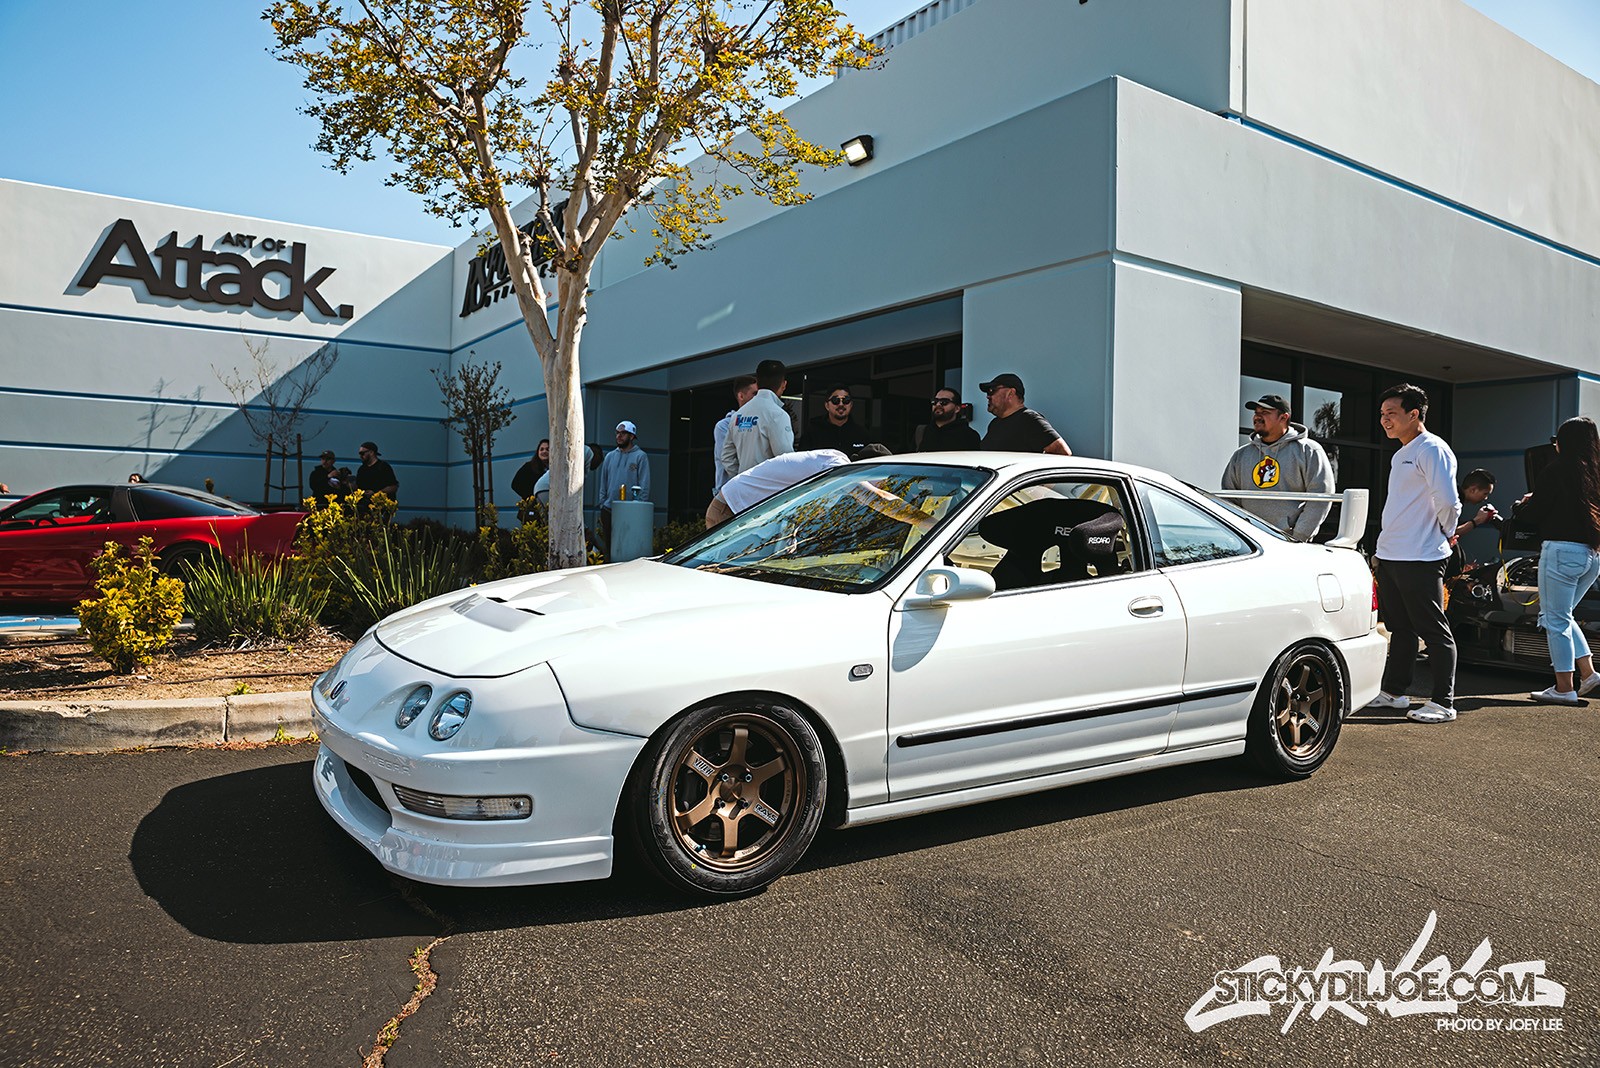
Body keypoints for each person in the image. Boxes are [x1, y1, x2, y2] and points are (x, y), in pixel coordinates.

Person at [1364, 384, 1461, 723]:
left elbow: (1448, 500)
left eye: (1391, 414)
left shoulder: (1432, 449)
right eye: (1382, 414)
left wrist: (1447, 534)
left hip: (1420, 556)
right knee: (1400, 628)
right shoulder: (1402, 452)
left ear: (1414, 414)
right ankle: (1394, 693)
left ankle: (1443, 702)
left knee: (1433, 630)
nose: (1384, 420)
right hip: (1393, 555)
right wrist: (1381, 552)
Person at [1516, 418, 1600, 704]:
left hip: (1561, 552)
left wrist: (1523, 504)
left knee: (1554, 619)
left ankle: (1564, 688)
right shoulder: (1595, 471)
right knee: (1563, 616)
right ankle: (1588, 674)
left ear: (1563, 442)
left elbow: (1534, 513)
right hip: (1591, 556)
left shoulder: (1557, 468)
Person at [1220, 394, 1336, 541]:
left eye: (1265, 413)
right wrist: (1238, 533)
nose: (1257, 417)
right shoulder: (1241, 455)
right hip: (1249, 542)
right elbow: (1229, 498)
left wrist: (1298, 536)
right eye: (1256, 412)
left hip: (1289, 543)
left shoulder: (1309, 451)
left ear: (1284, 417)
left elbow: (1321, 496)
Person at [707, 444, 892, 526]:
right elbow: (877, 499)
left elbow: (798, 509)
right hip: (730, 510)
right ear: (868, 470)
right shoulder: (835, 464)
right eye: (882, 480)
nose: (883, 485)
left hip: (742, 513)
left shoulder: (835, 483)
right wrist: (920, 520)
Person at [720, 359, 793, 478]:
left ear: (757, 383)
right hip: (769, 490)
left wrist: (743, 478)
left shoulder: (738, 415)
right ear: (784, 384)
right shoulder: (777, 414)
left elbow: (726, 457)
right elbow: (785, 459)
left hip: (744, 489)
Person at [978, 373, 1071, 455]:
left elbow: (1063, 452)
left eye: (992, 391)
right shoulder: (994, 424)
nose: (988, 396)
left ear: (1010, 393)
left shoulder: (1030, 420)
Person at [598, 420, 651, 551]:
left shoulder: (640, 456)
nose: (619, 436)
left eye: (623, 433)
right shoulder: (610, 456)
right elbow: (603, 482)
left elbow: (644, 484)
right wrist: (602, 503)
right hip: (609, 509)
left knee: (628, 545)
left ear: (632, 436)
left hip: (630, 510)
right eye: (617, 433)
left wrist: (639, 507)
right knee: (609, 547)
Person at [1447, 468, 1501, 577]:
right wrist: (1477, 520)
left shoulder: (1455, 498)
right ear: (1473, 490)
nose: (1485, 498)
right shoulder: (1452, 501)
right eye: (1485, 493)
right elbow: (1448, 533)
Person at [713, 376, 759, 493]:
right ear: (741, 396)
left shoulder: (760, 421)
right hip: (730, 492)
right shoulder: (724, 426)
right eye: (754, 394)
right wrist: (746, 480)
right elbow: (727, 459)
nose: (758, 398)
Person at [799, 384, 869, 453]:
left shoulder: (862, 434)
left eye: (846, 400)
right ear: (827, 406)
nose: (841, 404)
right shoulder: (812, 433)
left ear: (851, 405)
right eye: (835, 400)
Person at [916, 387, 980, 451]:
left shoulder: (969, 435)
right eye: (935, 401)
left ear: (957, 409)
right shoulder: (922, 432)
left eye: (944, 402)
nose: (938, 404)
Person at [512, 439, 550, 506]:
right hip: (531, 509)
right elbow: (515, 485)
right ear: (537, 452)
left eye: (547, 449)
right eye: (541, 449)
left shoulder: (555, 469)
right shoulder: (529, 467)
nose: (544, 451)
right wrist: (530, 498)